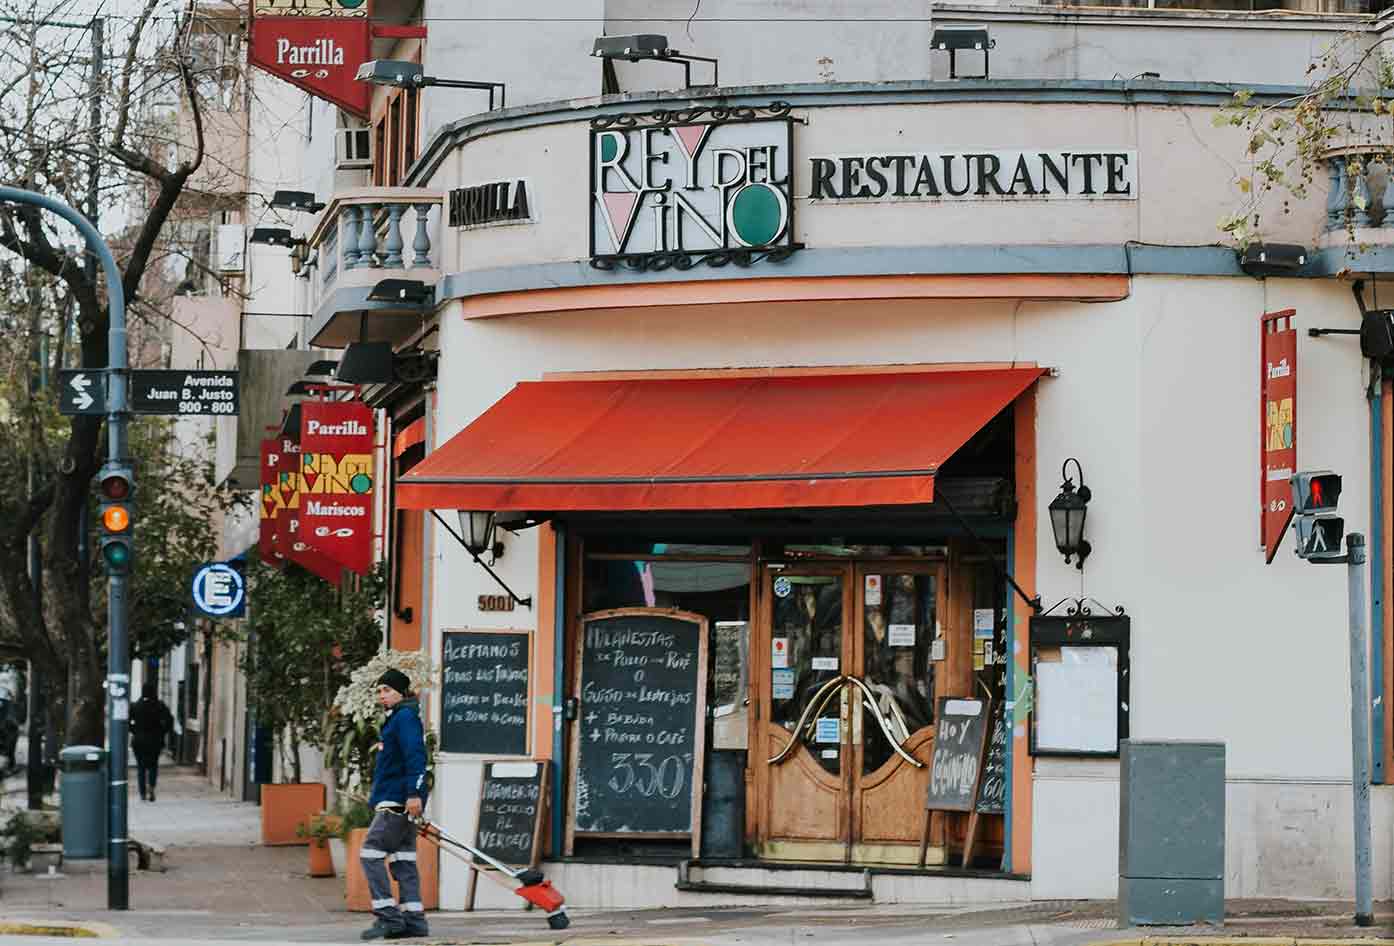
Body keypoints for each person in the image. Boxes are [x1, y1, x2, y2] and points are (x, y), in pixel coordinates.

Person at [360, 668, 429, 941]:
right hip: (396, 799)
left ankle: (388, 917)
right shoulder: (398, 718)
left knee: (371, 854)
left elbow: (416, 756)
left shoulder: (405, 718)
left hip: (397, 801)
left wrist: (414, 794)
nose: (382, 696)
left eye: (387, 690)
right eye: (379, 691)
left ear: (401, 691)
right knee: (404, 859)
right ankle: (414, 920)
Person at [129, 682, 173, 801]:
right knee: (153, 765)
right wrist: (162, 732)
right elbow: (170, 720)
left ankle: (142, 793)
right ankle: (151, 787)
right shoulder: (159, 705)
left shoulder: (135, 706)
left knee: (141, 767)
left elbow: (127, 721)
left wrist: (134, 731)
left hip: (139, 741)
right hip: (155, 740)